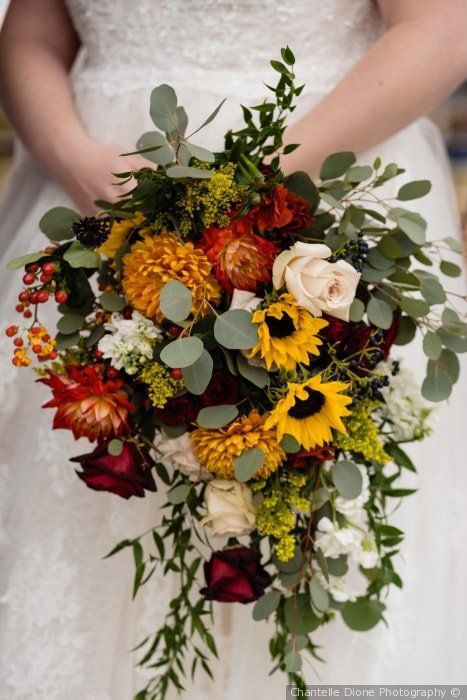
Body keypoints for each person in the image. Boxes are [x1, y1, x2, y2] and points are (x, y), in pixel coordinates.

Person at [0, 1, 466, 698]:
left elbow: (441, 25)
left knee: (302, 511)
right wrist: (70, 154)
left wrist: (250, 185)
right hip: (93, 196)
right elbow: (33, 33)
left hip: (313, 184)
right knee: (89, 499)